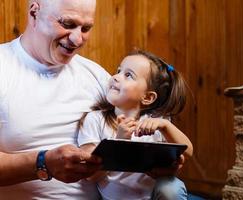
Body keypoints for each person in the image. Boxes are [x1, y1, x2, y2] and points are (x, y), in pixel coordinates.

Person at [0, 0, 110, 199]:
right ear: (34, 13)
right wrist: (43, 162)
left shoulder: (97, 77)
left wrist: (150, 164)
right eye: (67, 24)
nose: (77, 39)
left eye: (86, 28)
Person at [78, 50, 194, 200]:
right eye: (118, 71)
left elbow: (187, 152)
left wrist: (166, 125)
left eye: (128, 75)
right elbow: (91, 175)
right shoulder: (95, 120)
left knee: (171, 187)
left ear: (147, 97)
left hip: (153, 196)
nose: (115, 77)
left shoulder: (156, 122)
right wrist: (119, 141)